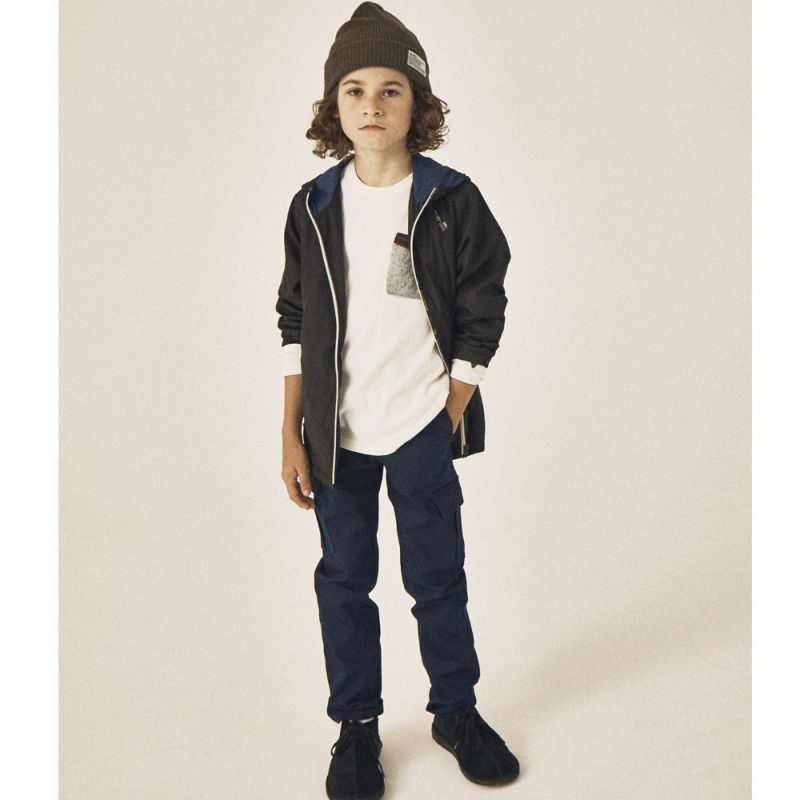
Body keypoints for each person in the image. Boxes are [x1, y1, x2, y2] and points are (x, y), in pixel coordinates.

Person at [275, 4, 518, 798]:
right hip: (336, 436)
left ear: (418, 104)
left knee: (438, 578)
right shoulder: (314, 205)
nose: (372, 105)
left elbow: (484, 297)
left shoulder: (451, 197)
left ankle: (456, 711)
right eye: (354, 90)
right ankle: (357, 728)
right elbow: (294, 319)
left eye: (390, 89)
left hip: (420, 426)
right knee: (344, 583)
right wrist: (291, 431)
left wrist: (456, 399)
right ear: (333, 105)